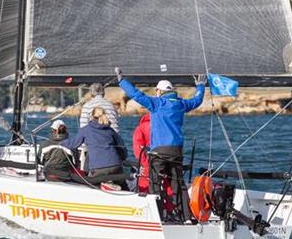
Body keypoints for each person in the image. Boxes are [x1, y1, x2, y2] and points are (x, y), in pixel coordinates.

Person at [116, 68, 205, 223]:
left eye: (157, 90)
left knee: (155, 184)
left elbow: (137, 95)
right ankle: (186, 218)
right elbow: (197, 100)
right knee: (179, 185)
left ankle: (159, 217)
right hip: (176, 151)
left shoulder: (156, 103)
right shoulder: (181, 104)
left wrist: (121, 81)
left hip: (158, 152)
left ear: (159, 91)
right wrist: (201, 86)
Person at [66, 106, 127, 187]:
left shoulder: (86, 130)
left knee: (91, 186)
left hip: (98, 168)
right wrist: (122, 158)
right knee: (123, 186)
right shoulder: (110, 130)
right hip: (115, 165)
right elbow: (121, 146)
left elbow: (73, 144)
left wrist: (60, 142)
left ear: (92, 116)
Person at [132, 113, 151, 193]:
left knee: (144, 184)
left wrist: (142, 164)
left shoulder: (140, 128)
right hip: (163, 157)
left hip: (147, 161)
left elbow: (138, 149)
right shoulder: (161, 125)